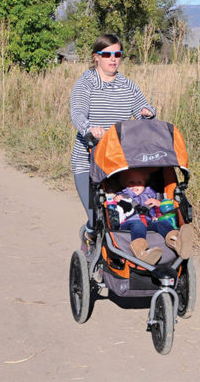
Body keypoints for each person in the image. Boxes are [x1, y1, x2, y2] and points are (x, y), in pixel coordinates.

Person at [70, 34, 155, 244]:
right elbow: (78, 113)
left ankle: (125, 255)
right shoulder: (86, 83)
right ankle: (89, 237)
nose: (113, 59)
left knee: (121, 214)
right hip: (88, 161)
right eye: (107, 54)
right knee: (97, 217)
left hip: (119, 162)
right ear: (96, 57)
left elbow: (144, 108)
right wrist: (90, 129)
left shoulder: (128, 85)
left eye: (117, 54)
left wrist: (147, 112)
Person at [114, 168, 194, 264]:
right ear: (125, 183)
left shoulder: (150, 195)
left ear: (145, 184)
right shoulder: (124, 194)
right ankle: (141, 251)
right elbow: (115, 201)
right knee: (138, 224)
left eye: (139, 182)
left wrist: (158, 203)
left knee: (162, 223)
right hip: (129, 223)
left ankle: (176, 241)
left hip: (148, 222)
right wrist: (118, 198)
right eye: (131, 182)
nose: (135, 185)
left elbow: (164, 208)